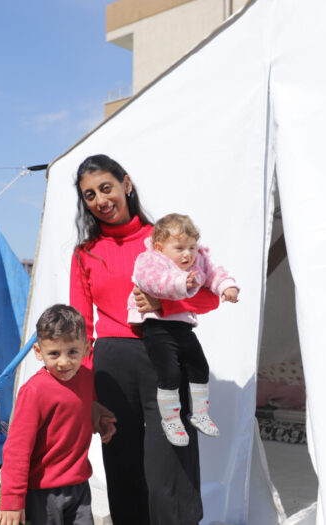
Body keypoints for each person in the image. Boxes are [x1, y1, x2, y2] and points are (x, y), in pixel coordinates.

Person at [70, 154, 219, 525]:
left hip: (164, 356)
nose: (100, 200)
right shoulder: (85, 254)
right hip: (111, 366)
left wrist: (163, 305)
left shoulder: (165, 240)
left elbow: (210, 297)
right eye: (89, 195)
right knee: (122, 469)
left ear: (126, 184)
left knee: (171, 465)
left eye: (106, 188)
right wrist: (87, 396)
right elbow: (80, 331)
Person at [0, 304, 116, 525]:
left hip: (79, 486)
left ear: (87, 348)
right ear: (38, 352)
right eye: (54, 353)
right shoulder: (34, 392)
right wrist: (12, 501)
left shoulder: (87, 378)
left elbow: (77, 409)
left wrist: (99, 421)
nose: (64, 362)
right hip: (42, 493)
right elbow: (16, 450)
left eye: (72, 352)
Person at [127, 213, 239, 447]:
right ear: (160, 247)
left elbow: (214, 272)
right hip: (156, 326)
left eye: (191, 247)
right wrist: (180, 284)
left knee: (199, 365)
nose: (187, 254)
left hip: (183, 326)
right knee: (169, 373)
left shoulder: (197, 260)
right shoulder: (149, 260)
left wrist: (226, 287)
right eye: (179, 248)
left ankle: (200, 413)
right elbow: (151, 282)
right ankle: (170, 419)